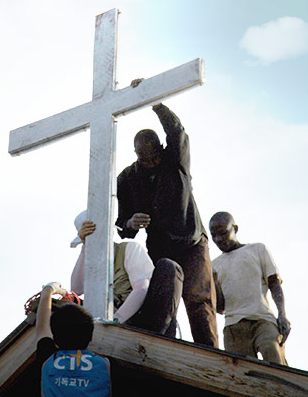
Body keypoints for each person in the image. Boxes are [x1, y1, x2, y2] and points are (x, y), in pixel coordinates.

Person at [115, 103, 218, 348]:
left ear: (162, 149)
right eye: (144, 158)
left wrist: (157, 105)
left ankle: (210, 355)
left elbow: (177, 132)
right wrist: (131, 221)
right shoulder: (127, 178)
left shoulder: (175, 160)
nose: (150, 162)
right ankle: (165, 349)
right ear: (135, 154)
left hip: (191, 242)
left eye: (154, 156)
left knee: (198, 301)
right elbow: (122, 225)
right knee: (163, 302)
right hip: (160, 249)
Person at [70, 211, 183, 336]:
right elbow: (76, 289)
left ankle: (158, 337)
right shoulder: (91, 262)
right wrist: (85, 248)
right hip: (110, 321)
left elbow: (141, 289)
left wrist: (116, 321)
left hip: (143, 318)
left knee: (168, 267)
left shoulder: (129, 249)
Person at [209, 211, 291, 365]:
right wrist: (214, 283)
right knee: (240, 373)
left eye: (223, 233)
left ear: (235, 229)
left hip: (263, 320)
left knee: (273, 354)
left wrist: (282, 314)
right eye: (214, 235)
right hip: (234, 327)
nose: (218, 239)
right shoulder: (214, 265)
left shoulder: (257, 249)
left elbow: (274, 283)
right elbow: (220, 308)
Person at [35, 281, 111, 396]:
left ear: (54, 338)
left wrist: (48, 290)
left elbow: (42, 325)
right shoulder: (105, 365)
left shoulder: (48, 359)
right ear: (91, 337)